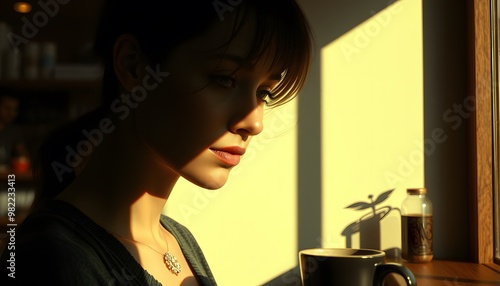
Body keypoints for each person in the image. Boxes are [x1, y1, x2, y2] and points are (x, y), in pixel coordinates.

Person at [0, 0, 312, 285]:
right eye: (224, 78)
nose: (254, 122)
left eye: (264, 92)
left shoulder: (178, 240)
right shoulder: (54, 257)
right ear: (134, 65)